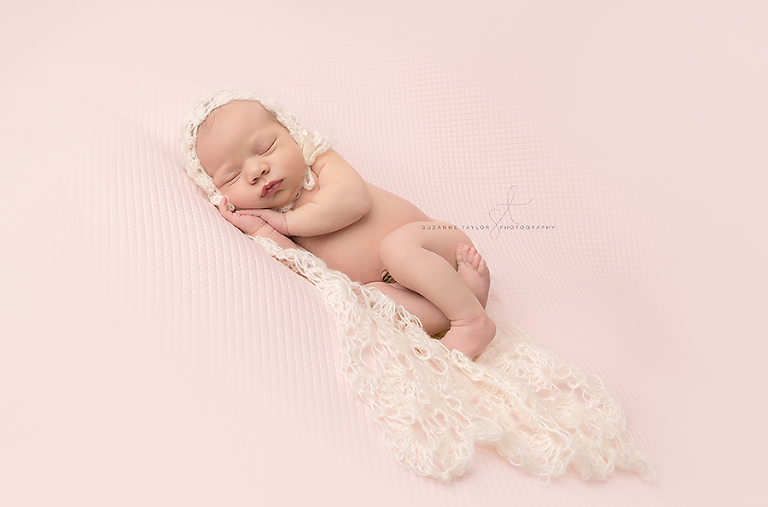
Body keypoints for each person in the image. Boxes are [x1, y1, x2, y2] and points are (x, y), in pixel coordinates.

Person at [181, 91, 495, 359]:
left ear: (293, 134)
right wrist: (258, 229)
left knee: (397, 248)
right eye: (232, 176)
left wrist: (287, 221)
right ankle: (464, 297)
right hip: (404, 287)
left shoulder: (319, 164)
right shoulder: (272, 221)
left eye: (264, 148)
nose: (256, 170)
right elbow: (305, 266)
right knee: (367, 300)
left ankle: (469, 321)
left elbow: (354, 201)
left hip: (434, 241)